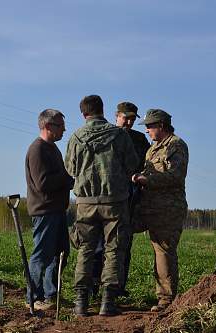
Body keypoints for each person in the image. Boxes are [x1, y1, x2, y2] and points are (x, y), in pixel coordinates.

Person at [65, 95, 138, 316]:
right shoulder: (119, 135)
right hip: (114, 202)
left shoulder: (76, 137)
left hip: (85, 203)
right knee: (113, 249)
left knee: (85, 249)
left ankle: (80, 302)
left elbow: (69, 168)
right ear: (103, 110)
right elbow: (132, 165)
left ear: (84, 114)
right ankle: (108, 302)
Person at [90, 102, 151, 297]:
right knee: (100, 244)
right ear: (117, 116)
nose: (129, 122)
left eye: (133, 119)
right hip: (105, 197)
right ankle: (94, 285)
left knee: (124, 243)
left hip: (129, 197)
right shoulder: (106, 134)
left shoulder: (140, 139)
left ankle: (118, 286)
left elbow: (145, 165)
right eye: (126, 118)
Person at [132, 109, 189, 312]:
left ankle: (166, 300)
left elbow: (176, 176)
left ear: (161, 126)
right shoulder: (153, 149)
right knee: (158, 251)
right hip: (151, 208)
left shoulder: (176, 145)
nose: (147, 130)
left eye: (149, 126)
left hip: (168, 209)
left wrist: (148, 179)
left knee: (164, 252)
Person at [25, 109, 73, 311]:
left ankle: (51, 295)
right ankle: (34, 298)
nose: (64, 129)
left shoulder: (53, 148)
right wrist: (67, 179)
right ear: (47, 126)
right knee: (41, 255)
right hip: (44, 211)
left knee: (60, 253)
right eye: (60, 125)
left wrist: (67, 180)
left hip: (57, 210)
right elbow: (42, 183)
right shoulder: (37, 150)